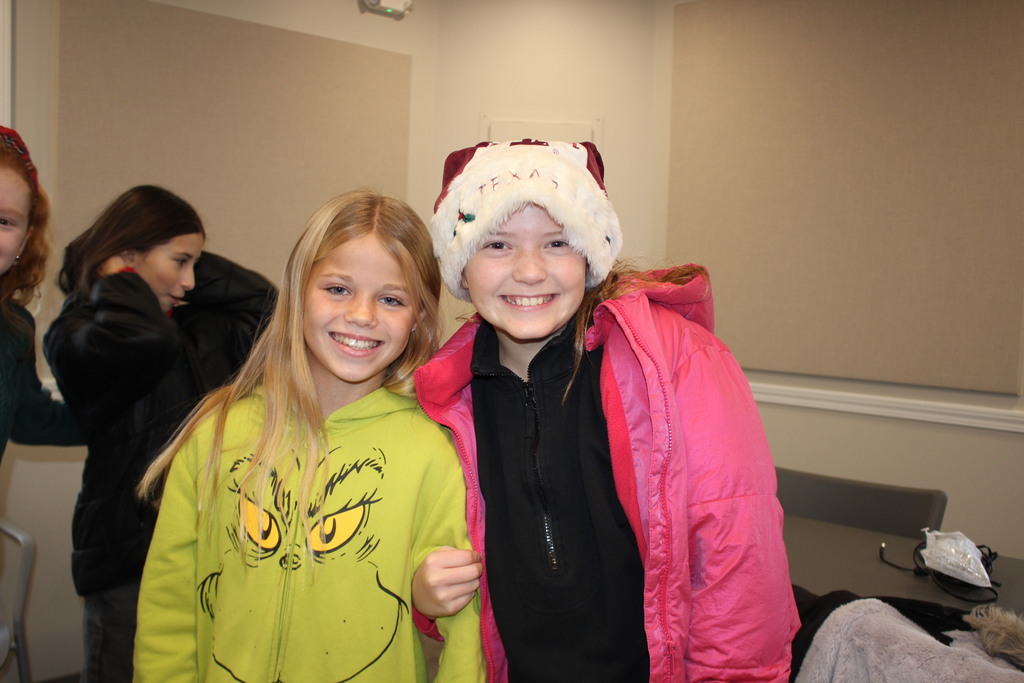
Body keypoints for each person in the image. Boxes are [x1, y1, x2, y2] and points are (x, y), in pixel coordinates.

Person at [411, 140, 800, 682]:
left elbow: (737, 560)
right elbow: (440, 558)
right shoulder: (445, 395)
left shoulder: (676, 360)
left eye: (557, 243)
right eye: (497, 244)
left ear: (591, 255)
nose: (528, 271)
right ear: (460, 264)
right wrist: (423, 597)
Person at [133, 190, 484, 683]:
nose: (362, 315)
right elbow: (168, 607)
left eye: (390, 299)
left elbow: (464, 627)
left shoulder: (435, 451)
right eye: (338, 289)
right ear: (298, 293)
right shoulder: (219, 431)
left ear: (419, 319)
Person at [43, 185, 277, 683]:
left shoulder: (200, 323)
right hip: (129, 554)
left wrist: (172, 253)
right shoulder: (78, 333)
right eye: (180, 261)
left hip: (207, 541)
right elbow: (146, 340)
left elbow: (269, 306)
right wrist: (118, 274)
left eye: (197, 262)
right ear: (127, 257)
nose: (191, 280)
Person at [0, 125, 80, 461]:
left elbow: (31, 421)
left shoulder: (14, 328)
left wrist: (137, 409)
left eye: (5, 221)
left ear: (24, 239)